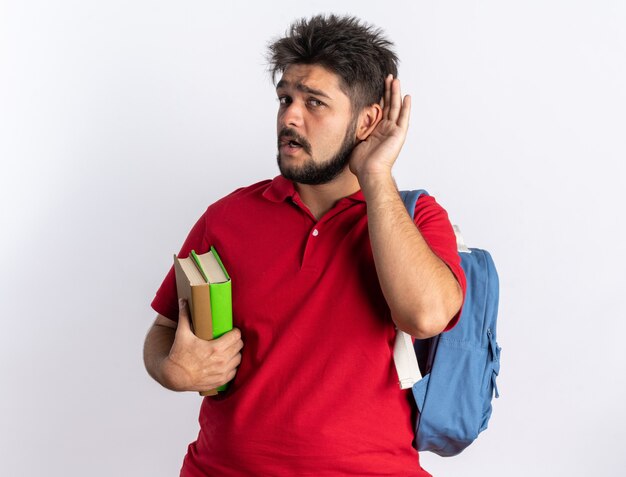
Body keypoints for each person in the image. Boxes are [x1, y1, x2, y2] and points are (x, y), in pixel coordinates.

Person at [144, 14, 466, 476]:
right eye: (285, 99)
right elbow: (163, 329)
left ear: (367, 121)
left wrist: (376, 176)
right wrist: (172, 370)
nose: (290, 116)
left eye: (315, 102)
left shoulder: (415, 218)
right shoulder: (227, 217)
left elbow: (426, 316)